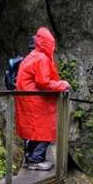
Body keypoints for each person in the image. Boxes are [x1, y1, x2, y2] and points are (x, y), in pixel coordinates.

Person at [15, 27, 71, 170]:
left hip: (28, 99)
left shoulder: (33, 55)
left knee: (34, 129)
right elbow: (43, 82)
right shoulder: (42, 58)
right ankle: (36, 159)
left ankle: (30, 157)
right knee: (45, 129)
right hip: (36, 100)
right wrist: (62, 84)